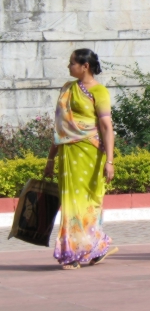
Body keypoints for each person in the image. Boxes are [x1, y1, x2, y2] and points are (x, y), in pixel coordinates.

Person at [43, 49, 117, 269]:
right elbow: (60, 129)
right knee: (70, 204)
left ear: (85, 66)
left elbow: (106, 126)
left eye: (72, 63)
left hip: (90, 153)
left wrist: (110, 161)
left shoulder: (99, 91)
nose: (69, 67)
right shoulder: (68, 89)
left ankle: (80, 252)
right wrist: (50, 160)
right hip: (68, 155)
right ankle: (85, 249)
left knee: (88, 204)